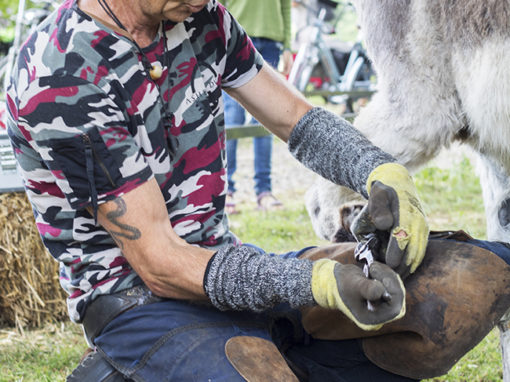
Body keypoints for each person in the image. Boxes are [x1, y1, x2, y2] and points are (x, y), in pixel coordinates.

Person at [6, 0, 429, 380]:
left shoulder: (202, 19)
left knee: (469, 278)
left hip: (227, 271)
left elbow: (296, 119)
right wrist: (313, 282)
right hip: (136, 301)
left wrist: (379, 170)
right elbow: (161, 264)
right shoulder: (61, 74)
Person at [218, 0, 294, 213]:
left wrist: (288, 45)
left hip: (271, 44)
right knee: (232, 118)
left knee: (265, 121)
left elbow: (285, 6)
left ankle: (264, 191)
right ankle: (227, 191)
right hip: (234, 36)